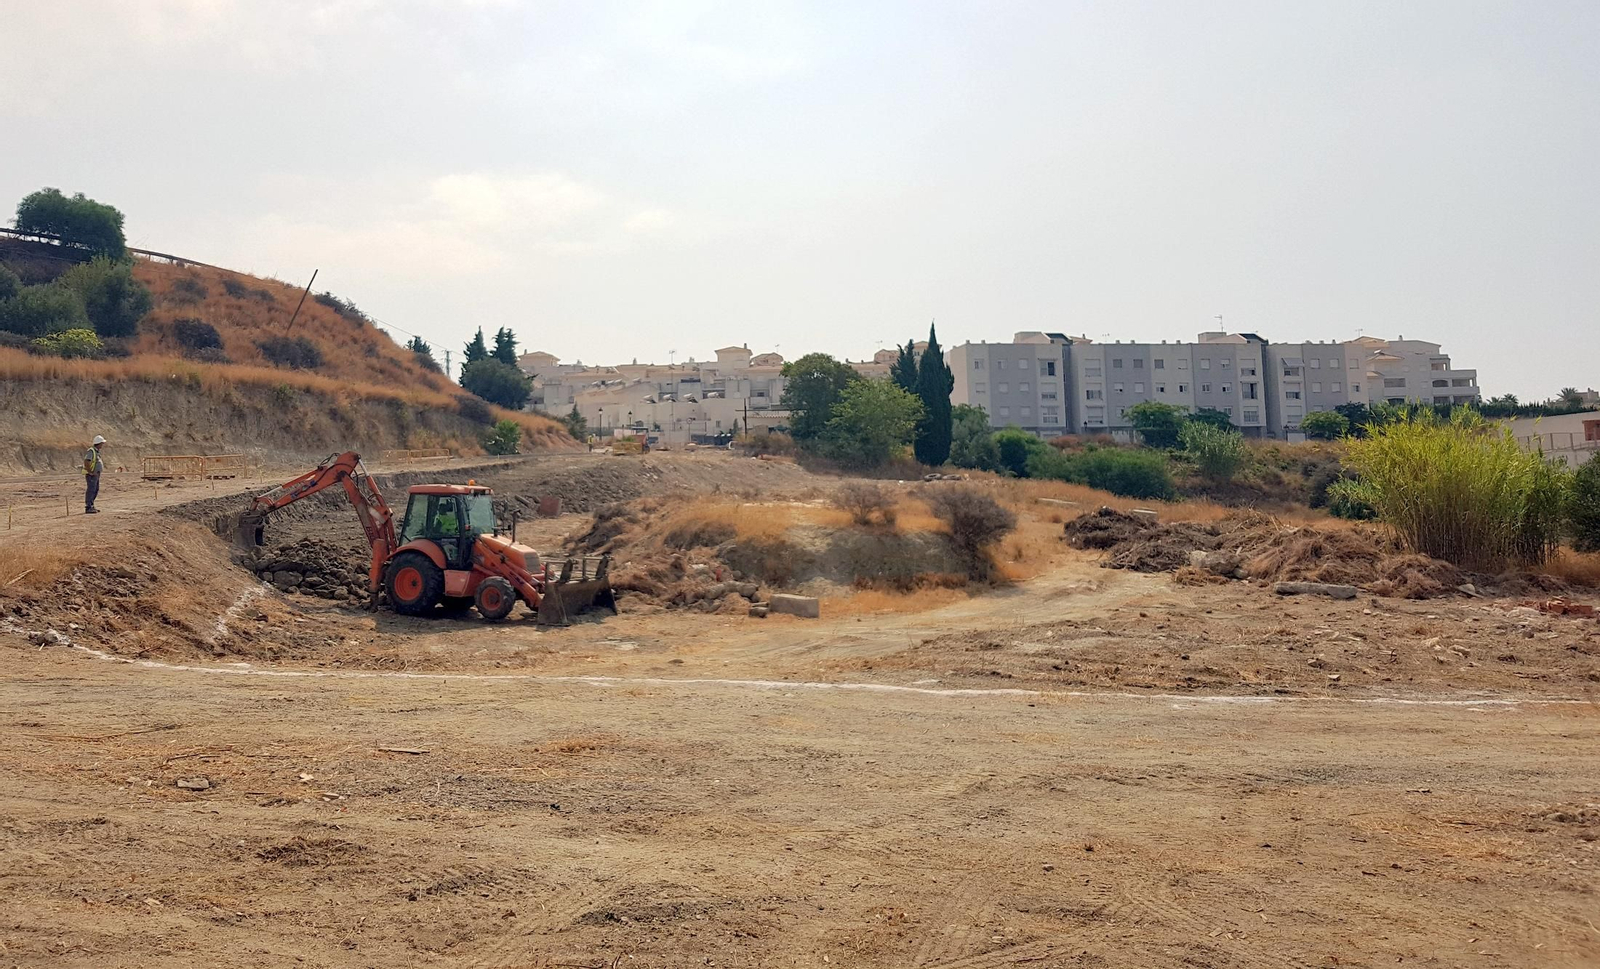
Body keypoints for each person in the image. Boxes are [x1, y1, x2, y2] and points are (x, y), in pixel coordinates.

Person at [83, 435, 106, 514]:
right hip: (91, 475)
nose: (102, 445)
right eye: (102, 443)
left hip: (95, 475)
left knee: (95, 490)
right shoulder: (91, 451)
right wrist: (91, 472)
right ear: (98, 443)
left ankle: (91, 506)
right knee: (91, 490)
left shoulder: (96, 451)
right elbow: (87, 461)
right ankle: (88, 507)